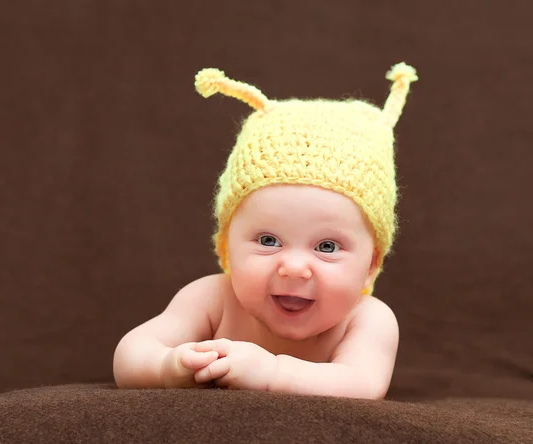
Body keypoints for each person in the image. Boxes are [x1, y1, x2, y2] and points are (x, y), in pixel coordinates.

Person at [113, 62, 418, 399]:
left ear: (371, 264)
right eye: (269, 241)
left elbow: (363, 384)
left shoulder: (367, 319)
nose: (294, 268)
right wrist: (166, 366)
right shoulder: (213, 298)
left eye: (327, 246)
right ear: (228, 244)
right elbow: (132, 351)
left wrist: (272, 372)